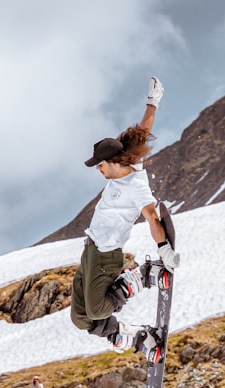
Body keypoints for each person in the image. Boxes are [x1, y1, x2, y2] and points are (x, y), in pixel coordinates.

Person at [71, 76, 179, 362]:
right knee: (81, 318)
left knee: (98, 310)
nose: (98, 170)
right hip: (91, 250)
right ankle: (135, 337)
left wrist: (164, 249)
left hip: (107, 256)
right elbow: (142, 132)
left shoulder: (136, 185)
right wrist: (152, 102)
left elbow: (152, 218)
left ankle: (139, 277)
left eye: (100, 165)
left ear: (113, 162)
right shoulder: (127, 162)